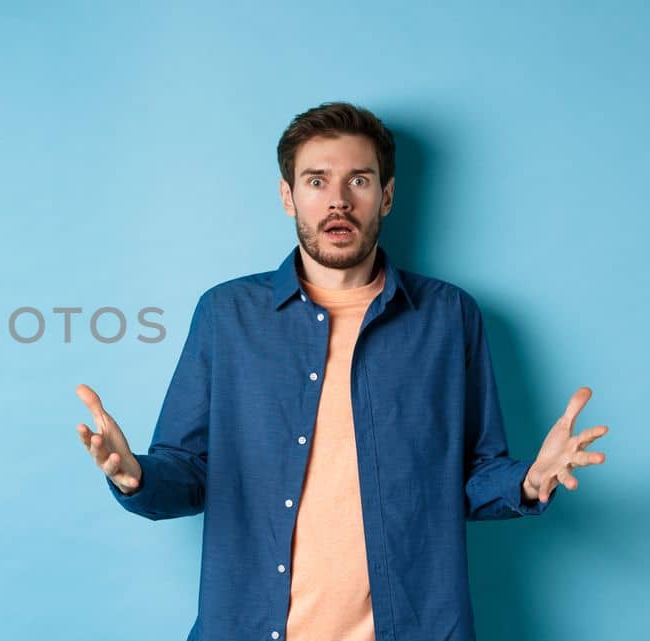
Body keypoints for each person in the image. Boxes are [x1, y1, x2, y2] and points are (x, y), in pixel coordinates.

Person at [73, 101, 611, 641]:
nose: (338, 200)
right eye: (316, 181)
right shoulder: (227, 315)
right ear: (289, 197)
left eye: (359, 179)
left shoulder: (449, 317)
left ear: (388, 195)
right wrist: (136, 476)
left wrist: (530, 481)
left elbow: (468, 478)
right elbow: (188, 472)